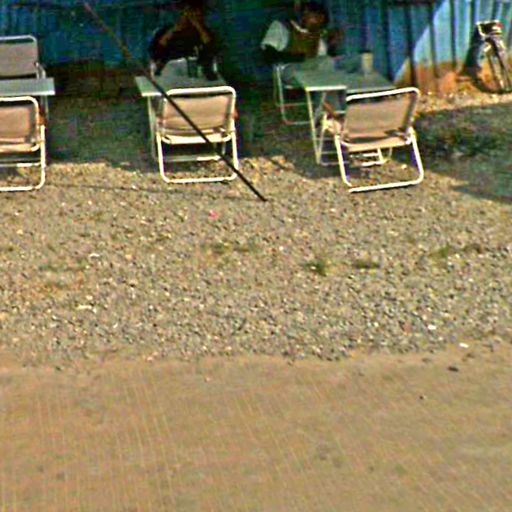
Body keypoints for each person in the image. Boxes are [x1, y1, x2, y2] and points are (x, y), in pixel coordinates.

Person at [260, 1, 341, 78]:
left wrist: (332, 46)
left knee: (331, 62)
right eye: (317, 17)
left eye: (322, 20)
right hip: (288, 69)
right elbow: (269, 55)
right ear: (306, 13)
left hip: (310, 70)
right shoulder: (281, 27)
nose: (319, 23)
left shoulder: (317, 36)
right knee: (325, 63)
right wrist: (301, 57)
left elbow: (323, 61)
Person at [148, 0, 218, 79]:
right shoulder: (166, 31)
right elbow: (157, 49)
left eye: (193, 13)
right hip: (170, 71)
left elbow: (209, 45)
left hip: (196, 71)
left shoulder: (204, 32)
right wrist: (175, 28)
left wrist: (197, 25)